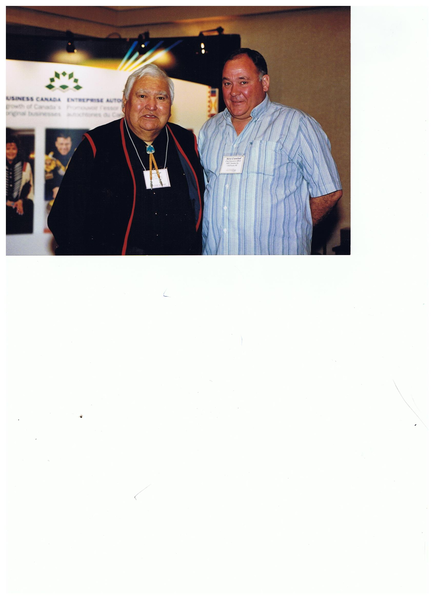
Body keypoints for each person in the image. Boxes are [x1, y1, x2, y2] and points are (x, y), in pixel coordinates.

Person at [198, 48, 343, 255]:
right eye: (227, 83)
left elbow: (328, 192)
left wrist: (297, 228)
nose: (234, 92)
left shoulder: (296, 124)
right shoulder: (209, 130)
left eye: (243, 82)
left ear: (264, 82)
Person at [48, 64, 204, 255]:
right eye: (142, 96)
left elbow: (198, 209)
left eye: (161, 98)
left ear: (170, 106)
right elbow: (64, 219)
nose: (151, 105)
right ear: (125, 102)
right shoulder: (97, 145)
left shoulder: (185, 142)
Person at [6, 130, 34, 235]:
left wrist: (22, 201)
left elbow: (31, 191)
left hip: (20, 210)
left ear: (18, 150)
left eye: (13, 148)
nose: (11, 152)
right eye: (7, 148)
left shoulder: (26, 166)